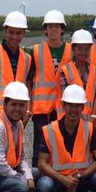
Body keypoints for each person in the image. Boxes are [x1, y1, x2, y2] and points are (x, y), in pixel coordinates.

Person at [30, 10, 72, 150]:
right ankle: (36, 169)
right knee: (40, 142)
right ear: (45, 30)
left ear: (62, 29)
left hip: (62, 106)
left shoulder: (71, 50)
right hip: (41, 106)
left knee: (60, 142)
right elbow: (29, 80)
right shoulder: (36, 51)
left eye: (57, 26)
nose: (53, 29)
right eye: (50, 26)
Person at [58, 29, 96, 121]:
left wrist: (93, 115)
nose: (83, 52)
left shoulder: (94, 70)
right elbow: (66, 97)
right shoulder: (65, 70)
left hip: (91, 119)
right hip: (71, 118)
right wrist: (81, 117)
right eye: (79, 48)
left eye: (86, 49)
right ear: (73, 49)